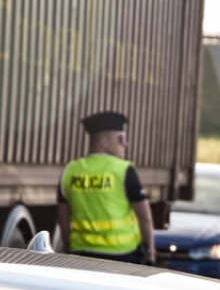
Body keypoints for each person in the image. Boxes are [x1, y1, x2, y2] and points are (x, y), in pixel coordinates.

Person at [57, 110, 156, 265]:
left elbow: (63, 220)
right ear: (103, 142)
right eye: (121, 139)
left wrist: (69, 248)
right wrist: (150, 253)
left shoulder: (70, 170)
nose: (126, 144)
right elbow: (145, 217)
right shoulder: (123, 170)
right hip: (121, 256)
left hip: (81, 254)